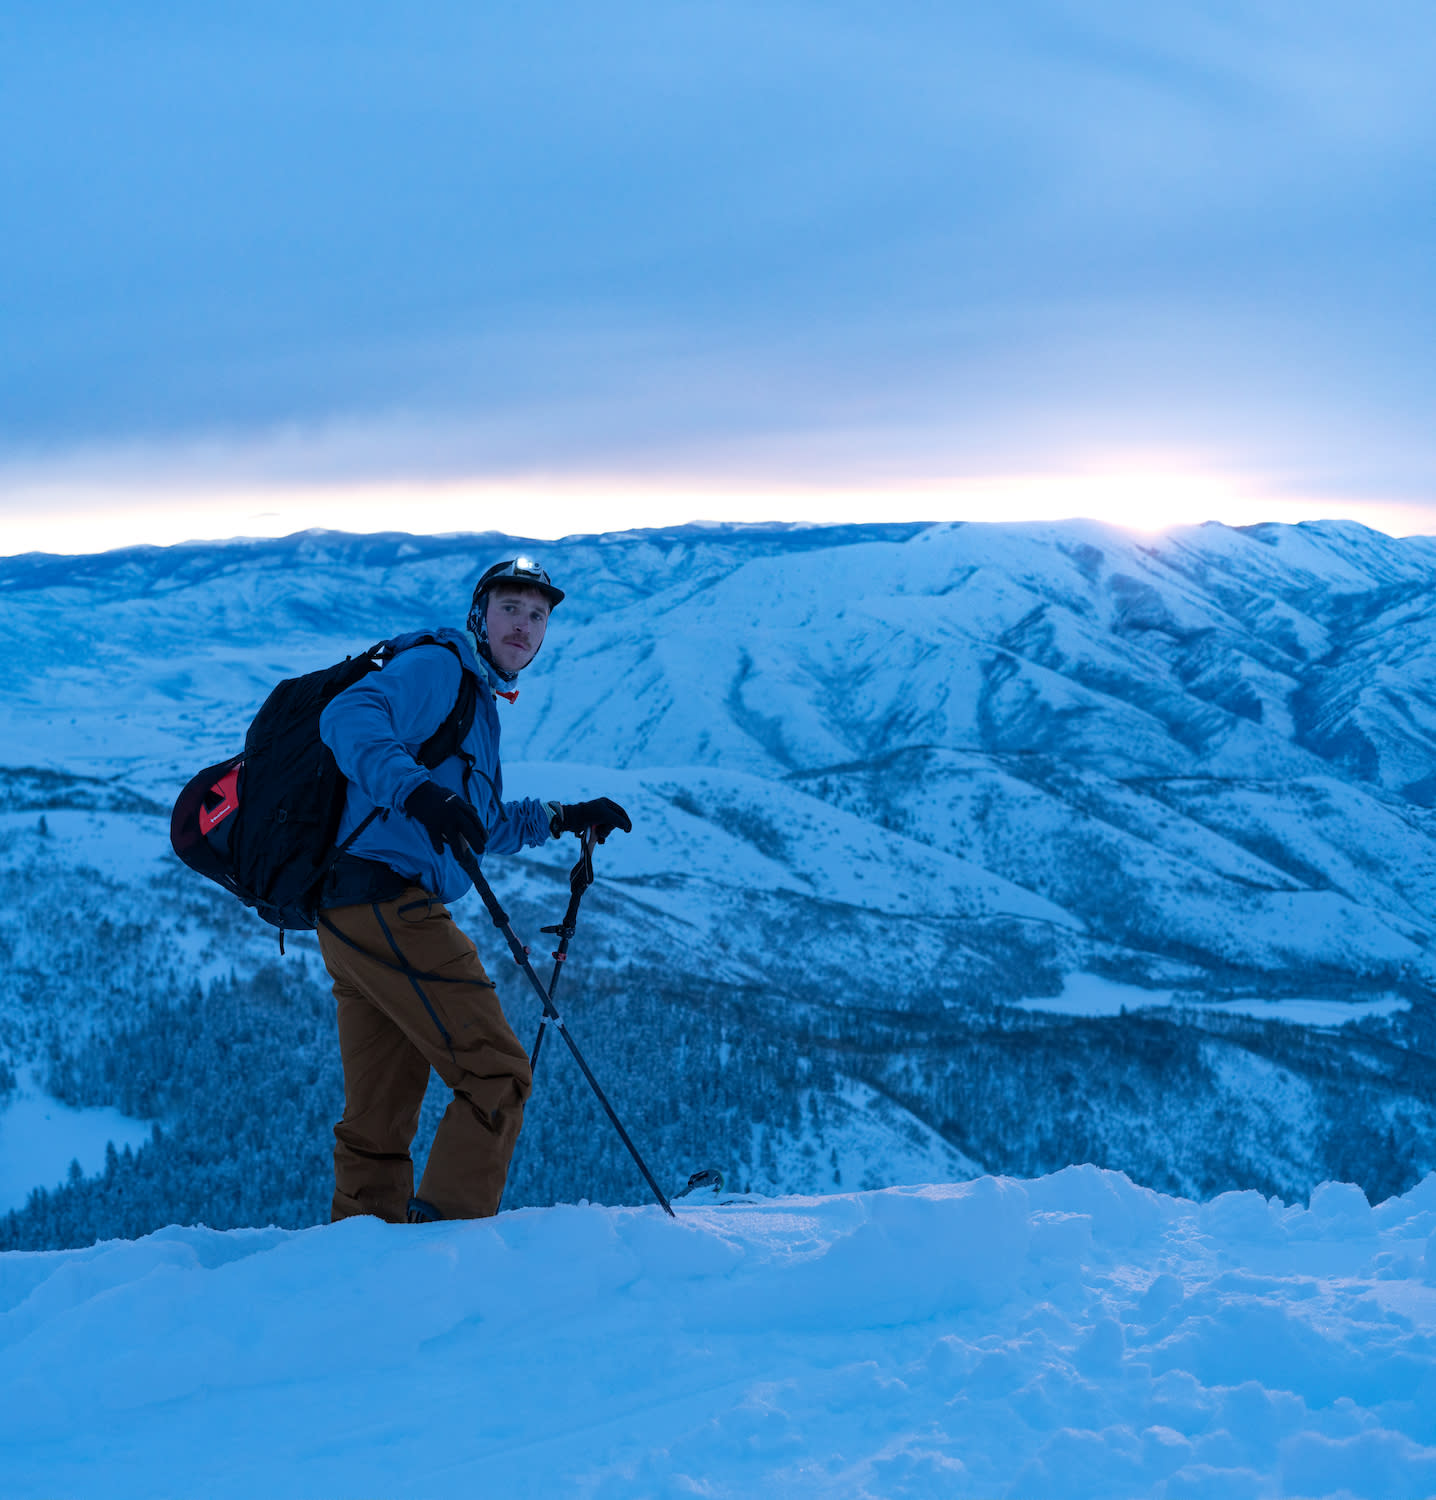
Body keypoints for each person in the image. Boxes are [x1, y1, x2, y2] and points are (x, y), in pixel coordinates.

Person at [313, 556, 631, 1224]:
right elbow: (347, 716)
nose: (524, 625)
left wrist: (565, 818)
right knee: (499, 1073)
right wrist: (416, 790)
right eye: (510, 608)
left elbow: (476, 826)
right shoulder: (441, 669)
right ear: (479, 616)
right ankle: (443, 1251)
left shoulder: (476, 705)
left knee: (380, 1113)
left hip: (351, 915)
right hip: (391, 905)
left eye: (538, 616)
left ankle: (357, 1257)